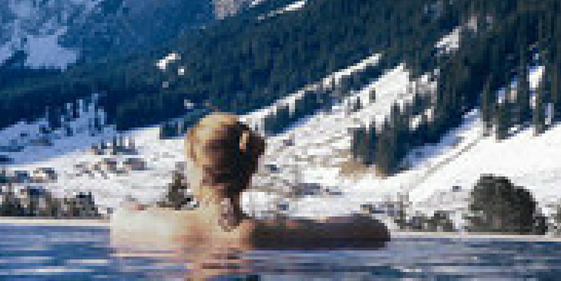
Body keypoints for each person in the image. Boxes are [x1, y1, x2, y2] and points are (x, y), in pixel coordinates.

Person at [110, 113, 389, 249]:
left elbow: (121, 215)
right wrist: (320, 224)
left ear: (198, 170)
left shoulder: (165, 227)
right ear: (248, 168)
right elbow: (375, 230)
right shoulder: (265, 234)